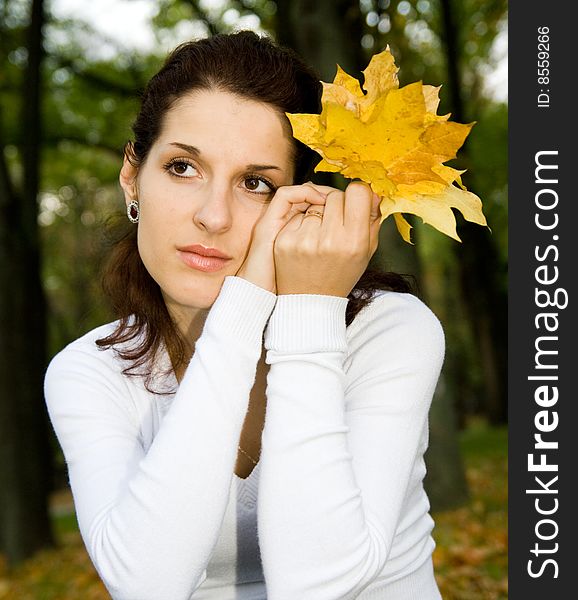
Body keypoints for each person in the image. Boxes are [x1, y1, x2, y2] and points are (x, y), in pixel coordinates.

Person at [44, 30, 445, 600]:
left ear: (302, 201)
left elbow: (318, 583)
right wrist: (245, 307)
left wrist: (310, 310)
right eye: (183, 167)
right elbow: (147, 585)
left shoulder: (388, 332)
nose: (214, 216)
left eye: (256, 184)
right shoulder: (90, 372)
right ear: (132, 175)